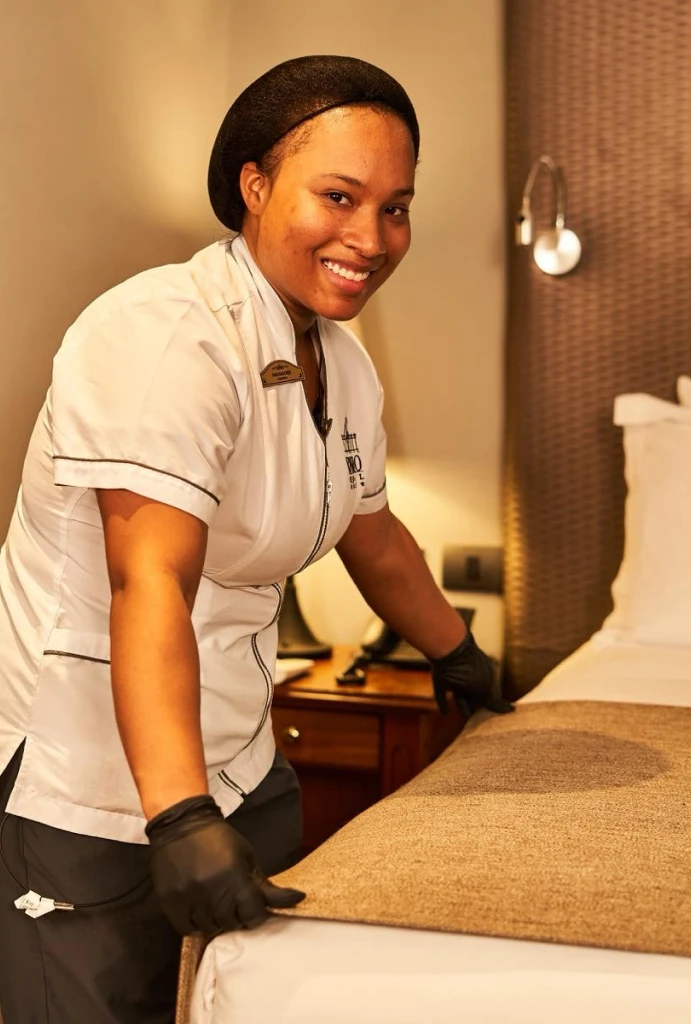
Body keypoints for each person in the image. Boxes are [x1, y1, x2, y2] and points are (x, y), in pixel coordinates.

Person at [0, 54, 512, 1023]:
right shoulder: (165, 335)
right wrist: (180, 815)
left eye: (395, 207)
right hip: (101, 778)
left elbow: (376, 536)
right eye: (339, 195)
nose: (371, 236)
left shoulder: (342, 363)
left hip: (237, 755)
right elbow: (146, 580)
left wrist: (463, 659)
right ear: (255, 184)